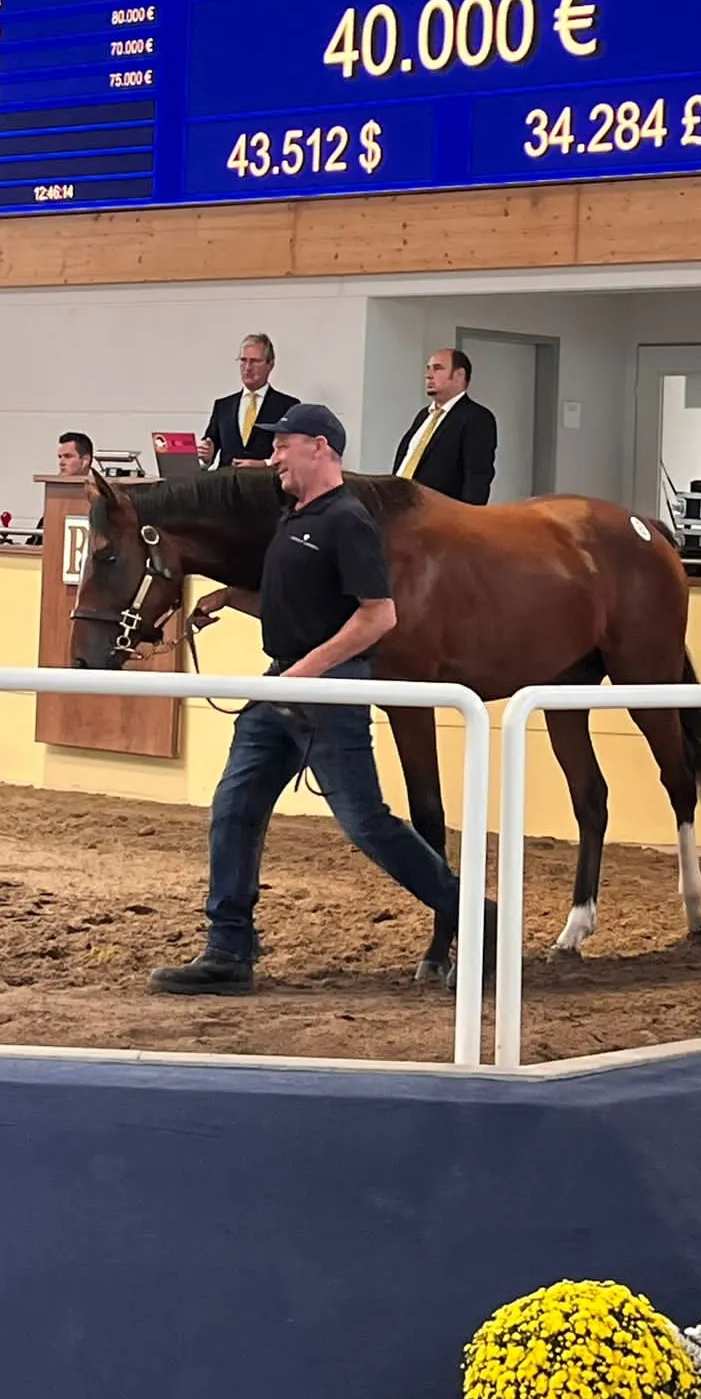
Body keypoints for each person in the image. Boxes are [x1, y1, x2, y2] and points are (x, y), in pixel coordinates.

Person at [148, 402, 485, 996]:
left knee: (368, 825)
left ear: (320, 448)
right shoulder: (294, 517)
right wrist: (230, 599)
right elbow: (299, 606)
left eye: (284, 445)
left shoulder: (348, 521)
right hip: (283, 686)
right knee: (234, 807)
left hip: (327, 691)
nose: (273, 456)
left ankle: (480, 921)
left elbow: (378, 616)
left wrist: (303, 674)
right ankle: (228, 949)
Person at [391, 348, 497, 504]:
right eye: (428, 368)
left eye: (437, 368)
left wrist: (466, 517)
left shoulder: (476, 418)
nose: (428, 375)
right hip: (399, 506)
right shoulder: (424, 415)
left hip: (438, 512)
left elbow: (477, 478)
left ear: (459, 375)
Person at [198, 333, 298, 468]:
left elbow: (293, 454)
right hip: (226, 480)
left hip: (267, 480)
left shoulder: (288, 406)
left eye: (255, 361)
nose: (247, 367)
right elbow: (209, 449)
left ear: (270, 365)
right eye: (243, 360)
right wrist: (206, 457)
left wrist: (264, 464)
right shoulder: (223, 406)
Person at [28, 430, 94, 544]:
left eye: (68, 456)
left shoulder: (97, 495)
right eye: (60, 457)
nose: (61, 462)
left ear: (85, 461)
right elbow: (37, 540)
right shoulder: (57, 496)